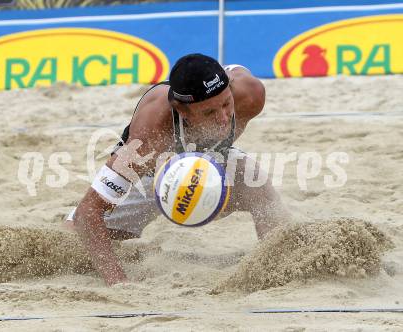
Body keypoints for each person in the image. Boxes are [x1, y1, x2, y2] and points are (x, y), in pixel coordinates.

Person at [68, 53, 290, 285]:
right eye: (209, 113)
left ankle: (279, 266)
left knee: (257, 184)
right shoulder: (149, 136)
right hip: (153, 173)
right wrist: (119, 284)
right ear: (182, 111)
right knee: (76, 243)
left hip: (212, 164)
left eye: (226, 104)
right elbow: (89, 211)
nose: (224, 118)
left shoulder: (250, 94)